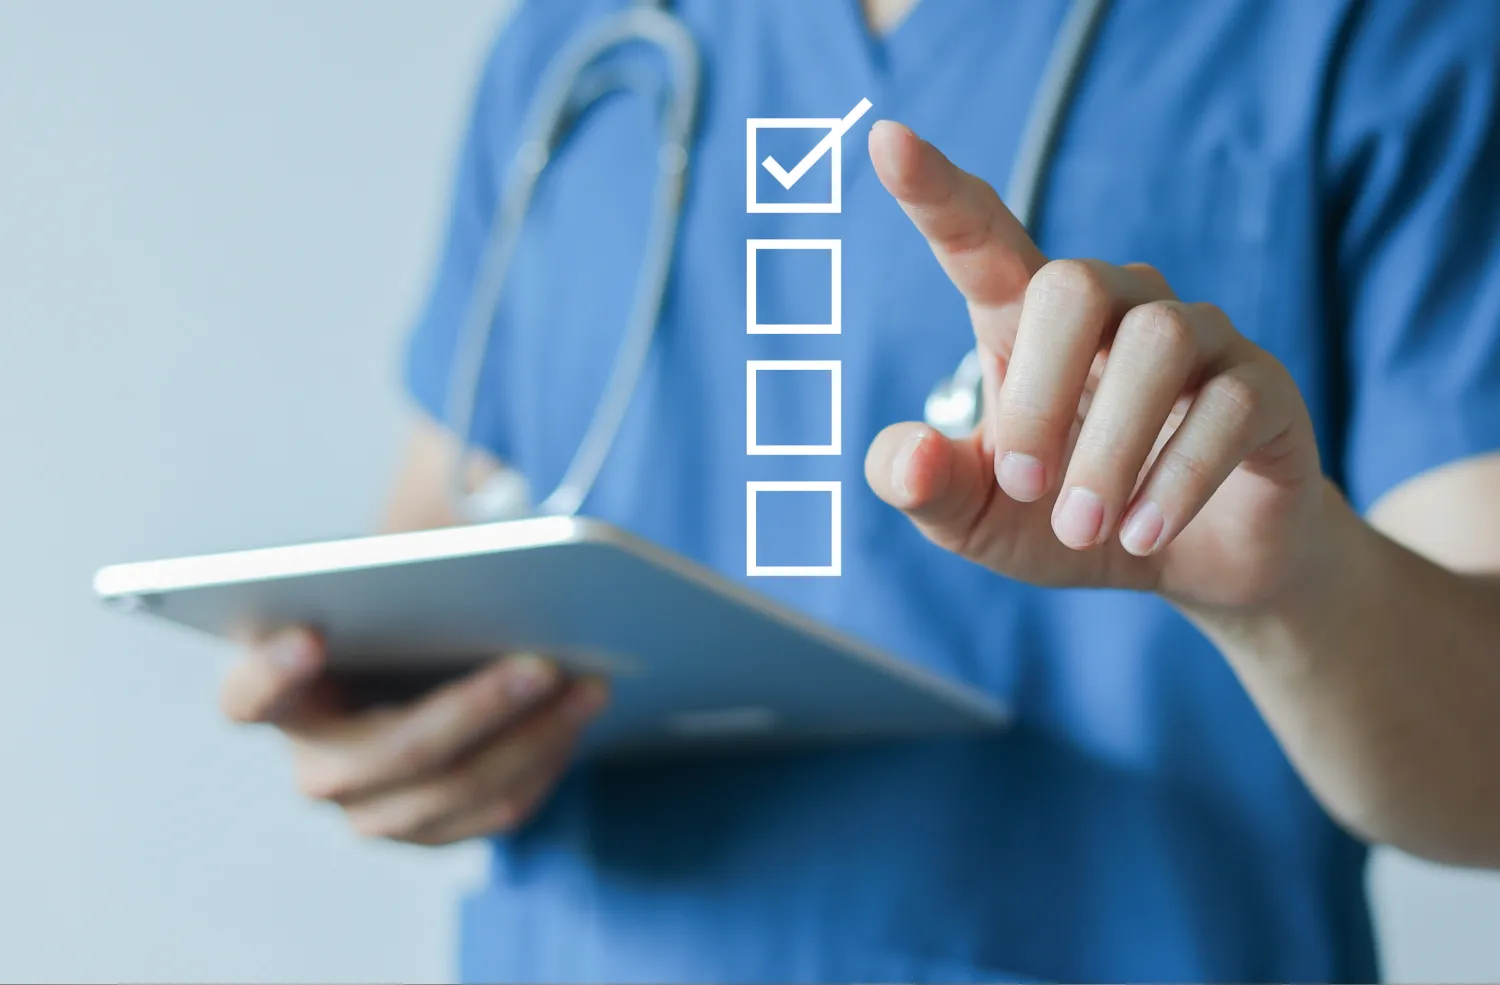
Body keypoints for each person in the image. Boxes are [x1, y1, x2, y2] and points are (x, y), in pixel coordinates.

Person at [216, 0, 1500, 981]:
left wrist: (1293, 585)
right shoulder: (581, 39)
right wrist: (393, 729)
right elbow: (436, 545)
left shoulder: (1379, 36)